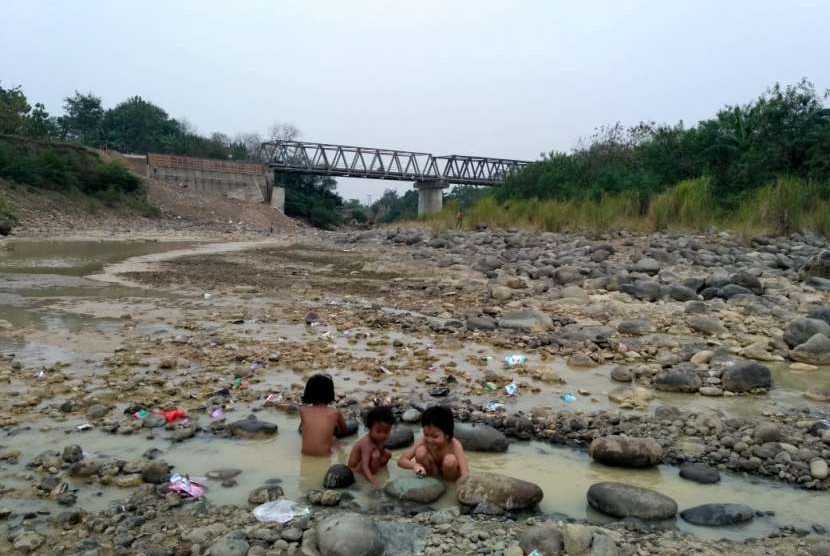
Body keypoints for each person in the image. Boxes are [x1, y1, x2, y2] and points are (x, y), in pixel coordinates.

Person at [397, 405, 469, 481]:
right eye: (426, 435)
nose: (429, 440)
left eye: (435, 436)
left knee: (450, 460)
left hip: (450, 476)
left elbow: (465, 472)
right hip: (432, 472)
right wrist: (414, 465)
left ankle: (449, 485)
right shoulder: (423, 441)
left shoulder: (454, 445)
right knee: (420, 451)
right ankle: (430, 480)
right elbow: (401, 460)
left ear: (447, 435)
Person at [299, 374, 347, 456]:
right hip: (324, 456)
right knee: (336, 441)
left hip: (305, 454)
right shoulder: (335, 413)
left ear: (308, 392)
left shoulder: (303, 411)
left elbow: (307, 428)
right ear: (330, 393)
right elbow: (344, 431)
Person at [348, 406, 395, 487]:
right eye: (378, 431)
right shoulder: (366, 443)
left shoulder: (378, 439)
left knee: (387, 454)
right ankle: (373, 473)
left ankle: (379, 471)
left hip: (370, 462)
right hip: (355, 470)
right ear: (369, 428)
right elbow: (364, 465)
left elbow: (383, 452)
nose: (382, 435)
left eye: (386, 432)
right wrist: (372, 480)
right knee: (375, 455)